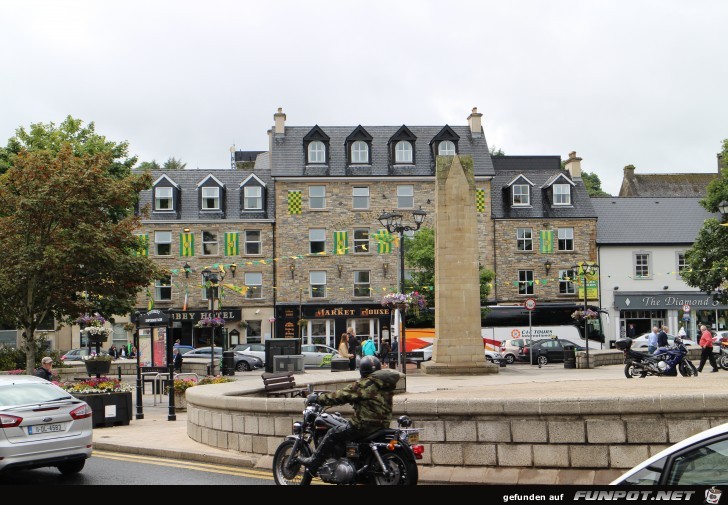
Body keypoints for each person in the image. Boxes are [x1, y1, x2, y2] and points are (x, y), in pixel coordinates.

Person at [296, 356, 401, 476]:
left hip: (363, 426)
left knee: (332, 433)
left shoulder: (364, 385)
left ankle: (313, 462)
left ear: (362, 370)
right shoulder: (385, 384)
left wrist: (318, 399)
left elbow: (340, 396)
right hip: (382, 425)